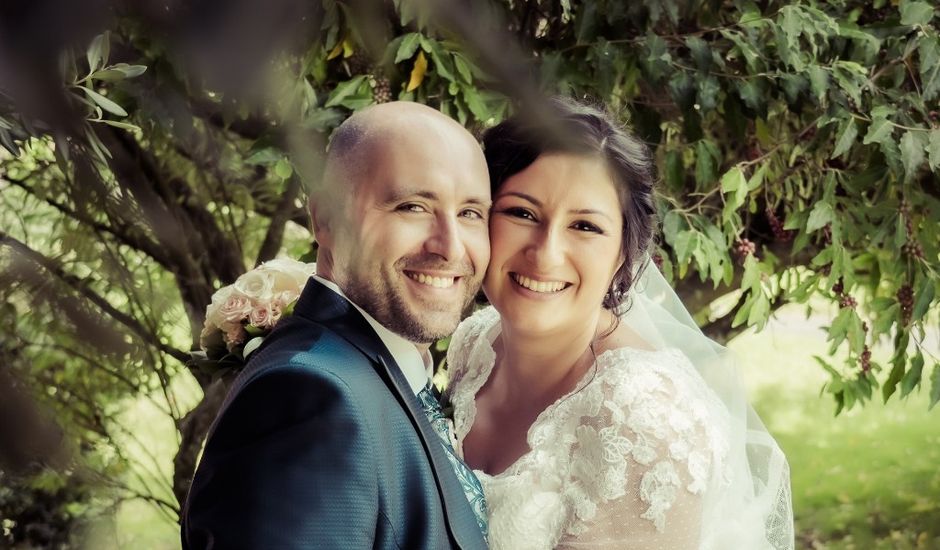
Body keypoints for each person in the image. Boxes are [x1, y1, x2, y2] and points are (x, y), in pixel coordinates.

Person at [445, 97, 794, 549]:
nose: (546, 253)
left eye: (586, 227)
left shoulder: (644, 424)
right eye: (522, 213)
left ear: (624, 255)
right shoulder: (475, 342)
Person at [181, 101, 490, 549]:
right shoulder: (308, 395)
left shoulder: (380, 374)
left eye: (470, 213)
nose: (450, 246)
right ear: (325, 219)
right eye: (412, 206)